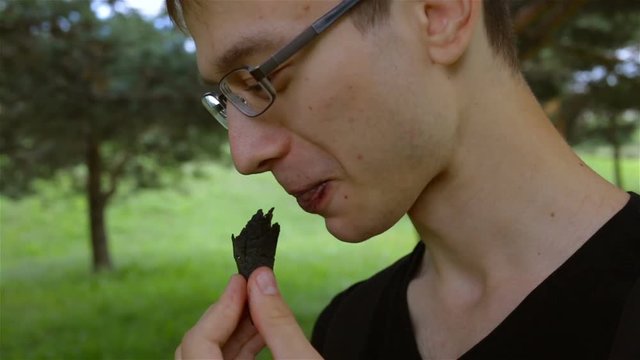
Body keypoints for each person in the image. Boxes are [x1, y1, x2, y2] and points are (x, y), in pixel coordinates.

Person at [167, 0, 640, 359]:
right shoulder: (347, 331)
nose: (245, 156)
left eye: (259, 78)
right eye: (227, 102)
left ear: (439, 14)